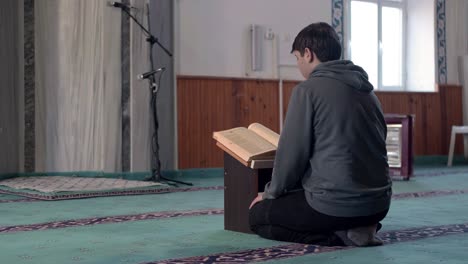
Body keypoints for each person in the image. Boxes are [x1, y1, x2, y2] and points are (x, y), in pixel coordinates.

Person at [248, 22, 392, 247]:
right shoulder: (368, 91)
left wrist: (269, 194)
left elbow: (291, 156)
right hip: (379, 206)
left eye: (297, 58)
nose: (298, 65)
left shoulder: (307, 90)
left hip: (336, 205)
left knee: (257, 217)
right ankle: (358, 226)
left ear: (308, 54)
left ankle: (338, 235)